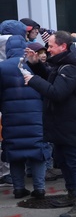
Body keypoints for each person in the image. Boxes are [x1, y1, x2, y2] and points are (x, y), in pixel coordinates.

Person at [24, 31, 76, 217]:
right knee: (63, 160)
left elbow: (57, 92)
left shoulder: (71, 68)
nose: (48, 49)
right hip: (62, 123)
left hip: (72, 124)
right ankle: (73, 194)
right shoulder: (64, 64)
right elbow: (52, 77)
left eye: (51, 46)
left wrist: (32, 80)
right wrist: (36, 65)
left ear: (63, 47)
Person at [0, 33, 48, 199]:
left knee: (15, 152)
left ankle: (18, 188)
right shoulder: (33, 65)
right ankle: (39, 188)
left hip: (11, 116)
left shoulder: (3, 67)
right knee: (38, 150)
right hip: (35, 116)